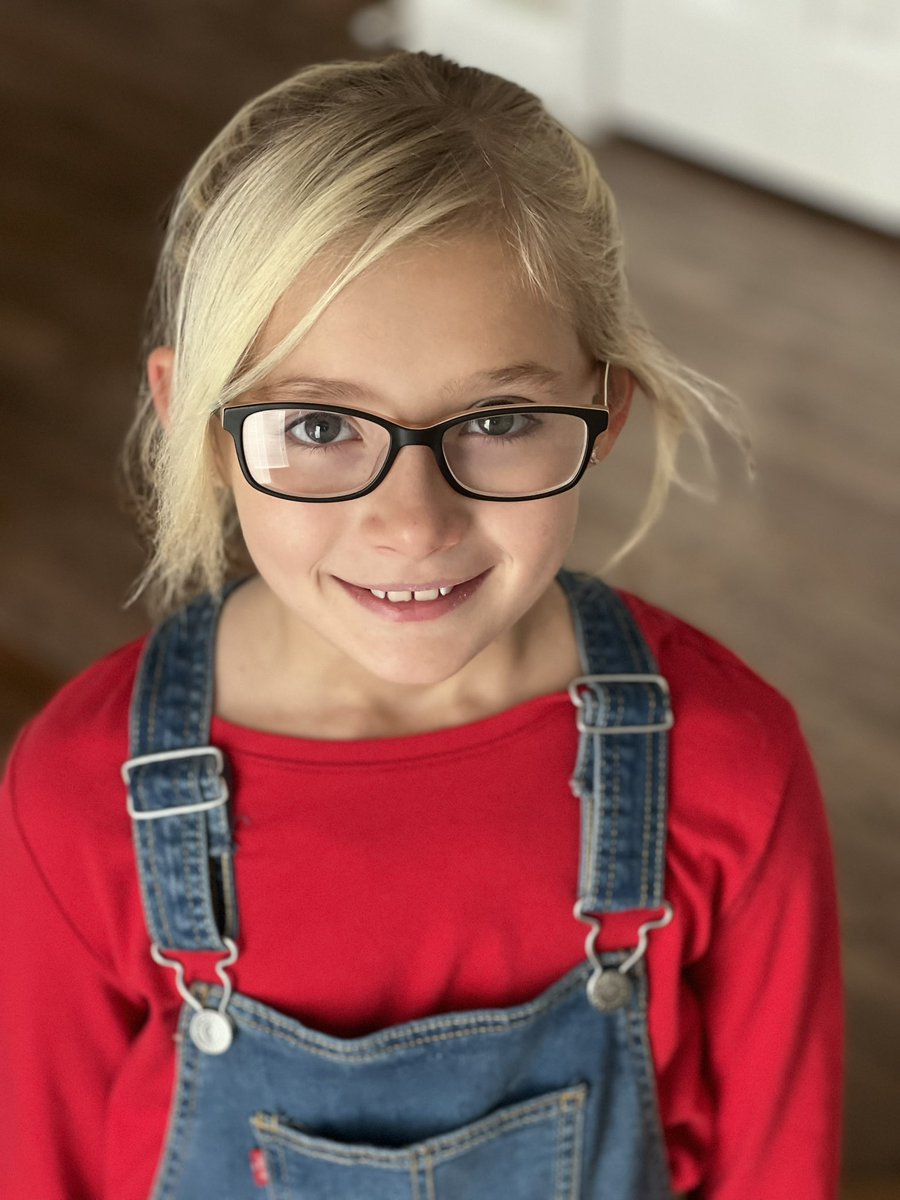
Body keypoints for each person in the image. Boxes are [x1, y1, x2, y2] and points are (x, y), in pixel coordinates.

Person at [0, 51, 842, 1200]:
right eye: (315, 425)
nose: (410, 522)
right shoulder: (77, 794)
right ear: (196, 423)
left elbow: (777, 1167)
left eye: (496, 417)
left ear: (602, 415)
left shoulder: (730, 765)